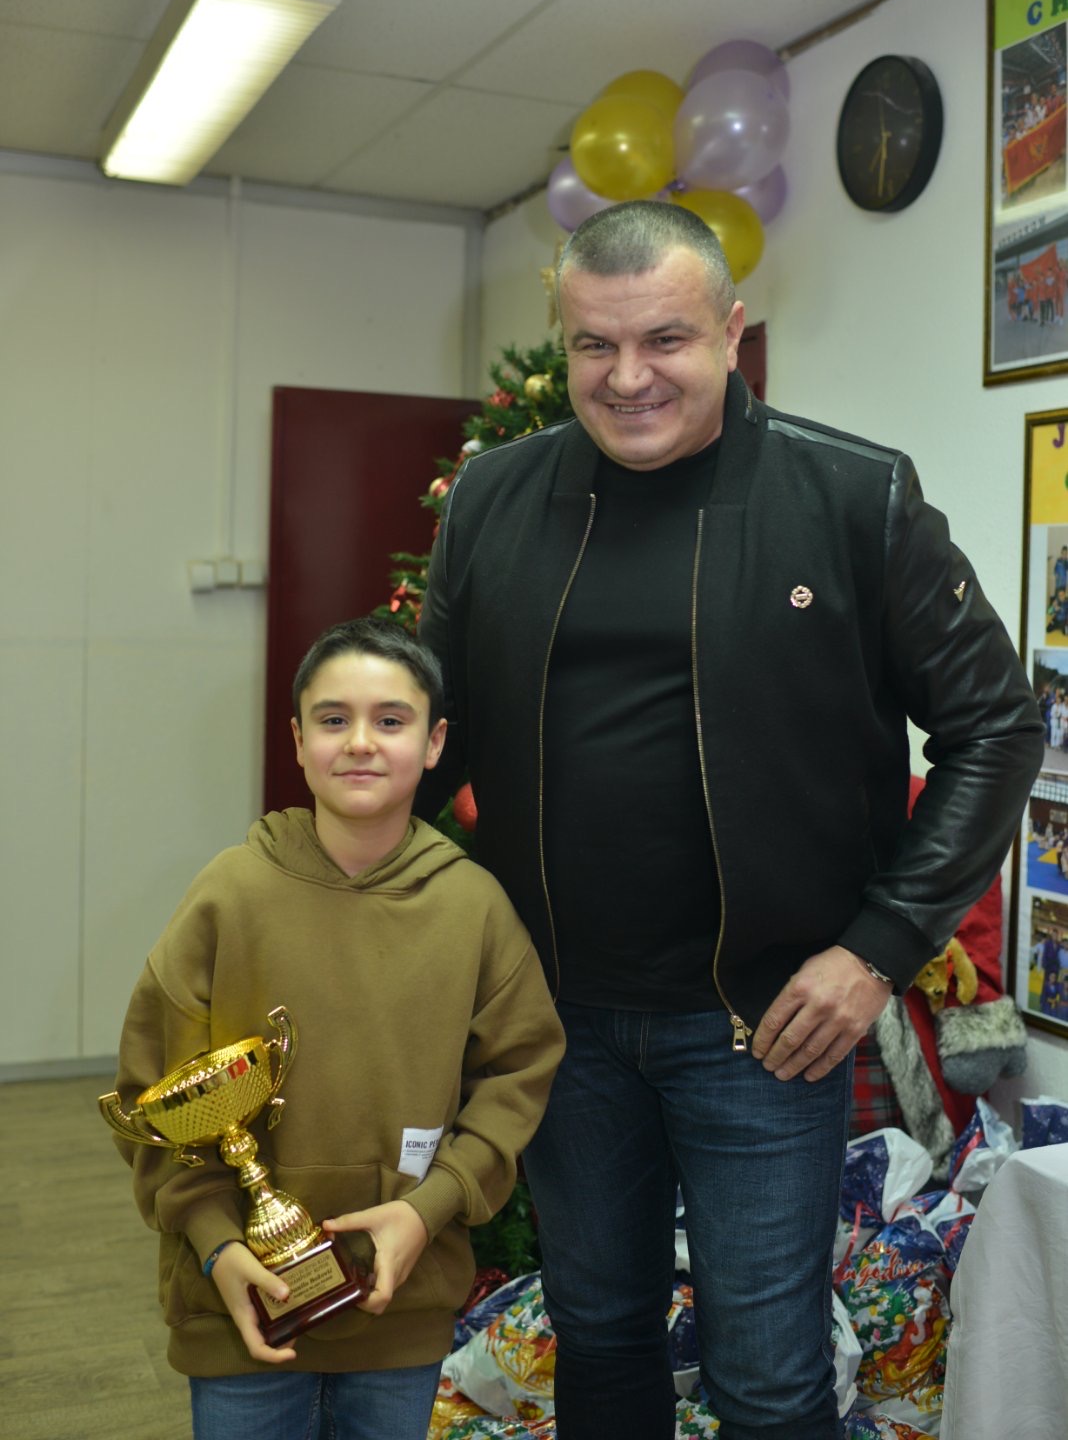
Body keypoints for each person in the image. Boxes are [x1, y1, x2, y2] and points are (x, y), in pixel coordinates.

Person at [417, 200, 1043, 1440]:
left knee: (768, 1375)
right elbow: (431, 736)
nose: (628, 376)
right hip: (556, 1017)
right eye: (595, 345)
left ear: (731, 332)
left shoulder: (852, 494)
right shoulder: (494, 498)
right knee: (598, 1337)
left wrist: (877, 949)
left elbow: (998, 726)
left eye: (665, 339)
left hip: (765, 1025)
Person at [109, 617, 565, 1440]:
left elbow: (519, 1072)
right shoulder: (229, 895)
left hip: (402, 1308)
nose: (360, 742)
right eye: (332, 719)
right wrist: (216, 1243)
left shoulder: (473, 907)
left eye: (390, 720)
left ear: (435, 742)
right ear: (297, 739)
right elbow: (153, 1093)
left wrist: (429, 1207)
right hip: (237, 1308)